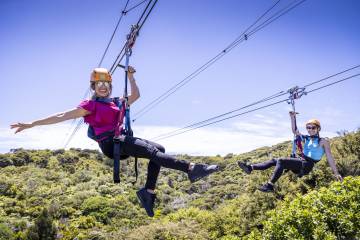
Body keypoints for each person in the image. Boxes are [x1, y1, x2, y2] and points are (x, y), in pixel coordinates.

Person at [10, 67, 219, 217]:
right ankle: (192, 169)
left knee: (159, 149)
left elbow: (136, 95)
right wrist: (32, 124)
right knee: (153, 153)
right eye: (98, 84)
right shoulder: (90, 105)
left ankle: (148, 192)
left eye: (106, 84)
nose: (102, 87)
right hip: (111, 144)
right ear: (93, 86)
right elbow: (61, 115)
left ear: (110, 86)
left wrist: (131, 77)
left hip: (121, 140)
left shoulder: (117, 102)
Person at [237, 111, 342, 192]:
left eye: (313, 128)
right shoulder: (306, 138)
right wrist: (292, 117)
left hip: (307, 165)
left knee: (281, 161)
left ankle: (269, 185)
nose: (310, 130)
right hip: (300, 160)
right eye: (308, 128)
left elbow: (329, 158)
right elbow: (295, 131)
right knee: (275, 160)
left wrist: (336, 173)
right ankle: (250, 167)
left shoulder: (323, 141)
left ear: (318, 129)